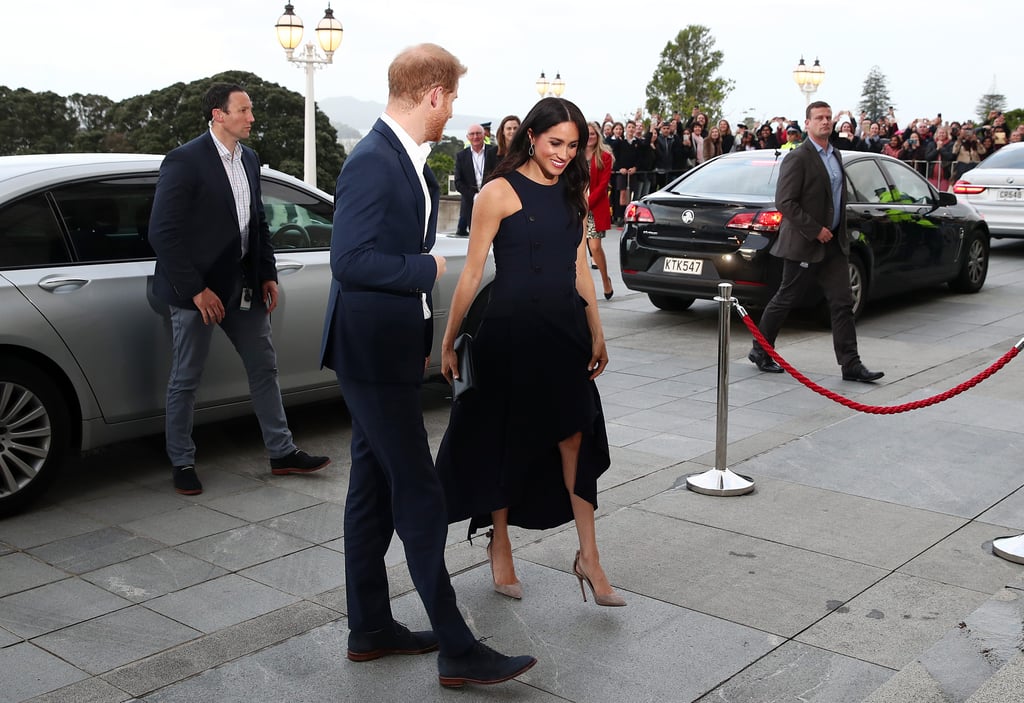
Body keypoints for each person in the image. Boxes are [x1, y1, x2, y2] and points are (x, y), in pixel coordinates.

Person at [320, 43, 536, 687]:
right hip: (369, 353)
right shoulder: (373, 162)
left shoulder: (405, 160)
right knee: (419, 490)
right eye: (452, 99)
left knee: (371, 493)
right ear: (433, 94)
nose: (453, 112)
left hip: (381, 350)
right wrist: (426, 269)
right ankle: (457, 647)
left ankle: (370, 628)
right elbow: (349, 260)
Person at [435, 96, 625, 609]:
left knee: (574, 440)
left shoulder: (573, 190)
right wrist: (449, 339)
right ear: (533, 137)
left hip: (564, 333)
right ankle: (500, 544)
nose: (564, 154)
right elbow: (472, 273)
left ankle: (590, 556)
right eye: (555, 143)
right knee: (507, 440)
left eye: (572, 145)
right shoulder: (496, 192)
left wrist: (597, 329)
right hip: (509, 334)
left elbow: (580, 266)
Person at [148, 82, 330, 496]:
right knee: (186, 378)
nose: (251, 118)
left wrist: (267, 273)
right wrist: (196, 290)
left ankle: (282, 452)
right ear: (218, 115)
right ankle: (182, 461)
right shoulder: (183, 161)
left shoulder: (249, 159)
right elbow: (163, 233)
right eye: (244, 110)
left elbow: (256, 223)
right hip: (195, 293)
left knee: (264, 366)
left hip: (242, 287)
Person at [748, 101, 884, 384]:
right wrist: (815, 229)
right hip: (804, 242)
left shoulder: (835, 155)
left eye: (828, 117)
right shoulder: (798, 157)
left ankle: (851, 364)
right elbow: (784, 201)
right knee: (786, 298)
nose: (825, 122)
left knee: (843, 303)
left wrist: (834, 231)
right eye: (819, 118)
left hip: (833, 244)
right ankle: (760, 349)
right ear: (807, 123)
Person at [585, 121, 615, 299]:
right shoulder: (575, 154)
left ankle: (605, 280)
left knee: (595, 248)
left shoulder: (604, 156)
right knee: (578, 251)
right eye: (587, 133)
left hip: (594, 207)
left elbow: (603, 185)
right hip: (576, 207)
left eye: (593, 133)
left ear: (598, 136)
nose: (590, 136)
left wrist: (587, 203)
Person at [454, 124, 497, 236]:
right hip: (469, 203)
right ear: (468, 137)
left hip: (491, 201)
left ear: (484, 135)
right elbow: (458, 182)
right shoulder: (461, 156)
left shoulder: (494, 152)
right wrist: (474, 196)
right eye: (472, 134)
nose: (475, 137)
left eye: (478, 133)